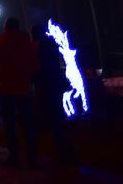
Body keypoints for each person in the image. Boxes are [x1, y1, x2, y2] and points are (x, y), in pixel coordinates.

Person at [0, 16, 39, 168]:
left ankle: (14, 156)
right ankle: (32, 156)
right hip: (24, 87)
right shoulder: (26, 42)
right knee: (27, 122)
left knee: (10, 124)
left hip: (7, 87)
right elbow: (35, 62)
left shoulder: (0, 42)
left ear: (6, 27)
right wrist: (30, 77)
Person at [34, 23, 74, 164]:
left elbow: (37, 69)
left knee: (49, 119)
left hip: (46, 87)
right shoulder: (52, 48)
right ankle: (64, 149)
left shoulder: (38, 49)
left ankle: (48, 152)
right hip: (55, 86)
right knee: (58, 119)